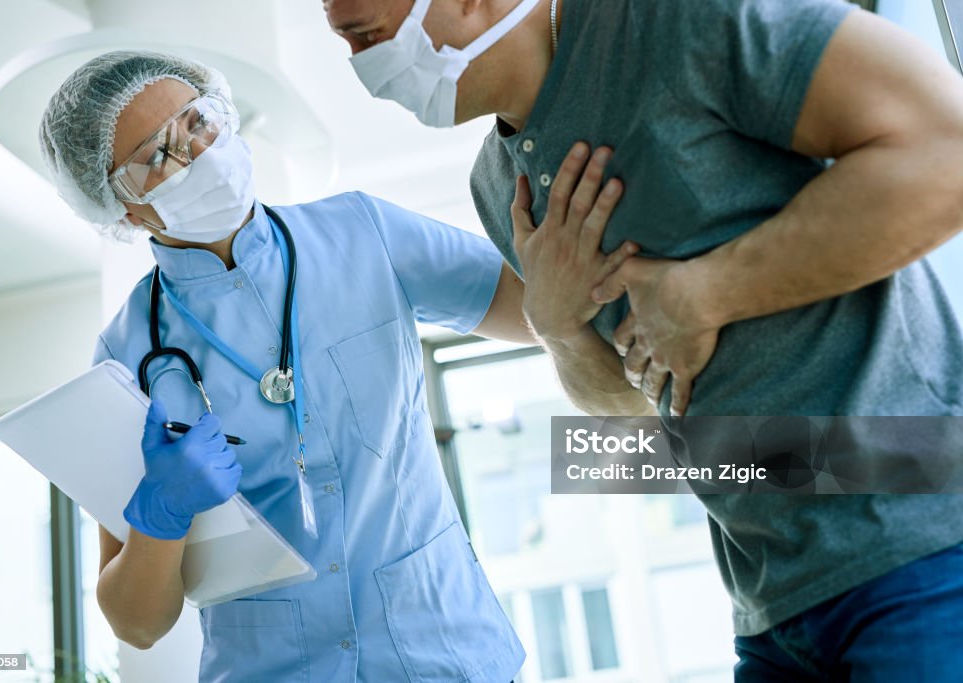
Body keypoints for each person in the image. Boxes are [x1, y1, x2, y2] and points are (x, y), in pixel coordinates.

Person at [325, 0, 963, 679]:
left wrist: (708, 292)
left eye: (368, 36)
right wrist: (558, 327)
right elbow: (630, 406)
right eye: (352, 44)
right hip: (770, 606)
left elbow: (946, 148)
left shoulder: (675, 21)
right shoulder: (496, 188)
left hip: (919, 547)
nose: (346, 37)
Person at [38, 50, 641, 682]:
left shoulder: (363, 231)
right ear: (125, 210)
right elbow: (138, 623)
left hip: (444, 652)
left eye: (196, 122)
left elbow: (540, 313)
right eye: (156, 158)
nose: (196, 154)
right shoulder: (127, 352)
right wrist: (161, 512)